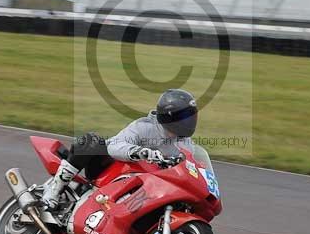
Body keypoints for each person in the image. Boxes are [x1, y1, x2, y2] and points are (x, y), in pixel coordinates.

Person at [40, 88, 198, 210]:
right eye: (184, 118)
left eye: (190, 117)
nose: (188, 122)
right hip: (110, 170)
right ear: (169, 115)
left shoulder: (185, 143)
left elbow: (191, 168)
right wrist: (140, 152)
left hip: (147, 188)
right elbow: (114, 145)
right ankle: (54, 190)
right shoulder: (144, 127)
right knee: (92, 141)